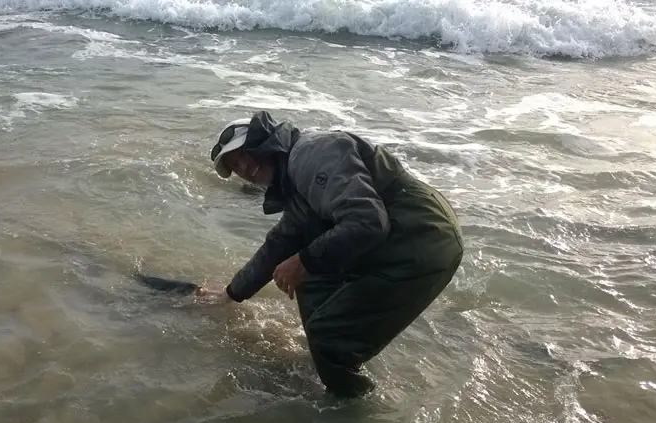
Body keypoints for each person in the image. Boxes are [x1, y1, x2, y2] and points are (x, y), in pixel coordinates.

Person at [196, 110, 465, 398]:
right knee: (312, 282)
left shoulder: (310, 154)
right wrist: (231, 294)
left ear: (265, 140)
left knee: (329, 337)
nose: (244, 167)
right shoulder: (294, 181)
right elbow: (278, 244)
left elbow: (367, 221)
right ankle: (328, 364)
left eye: (243, 154)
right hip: (409, 232)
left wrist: (304, 261)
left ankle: (350, 415)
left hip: (424, 235)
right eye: (235, 166)